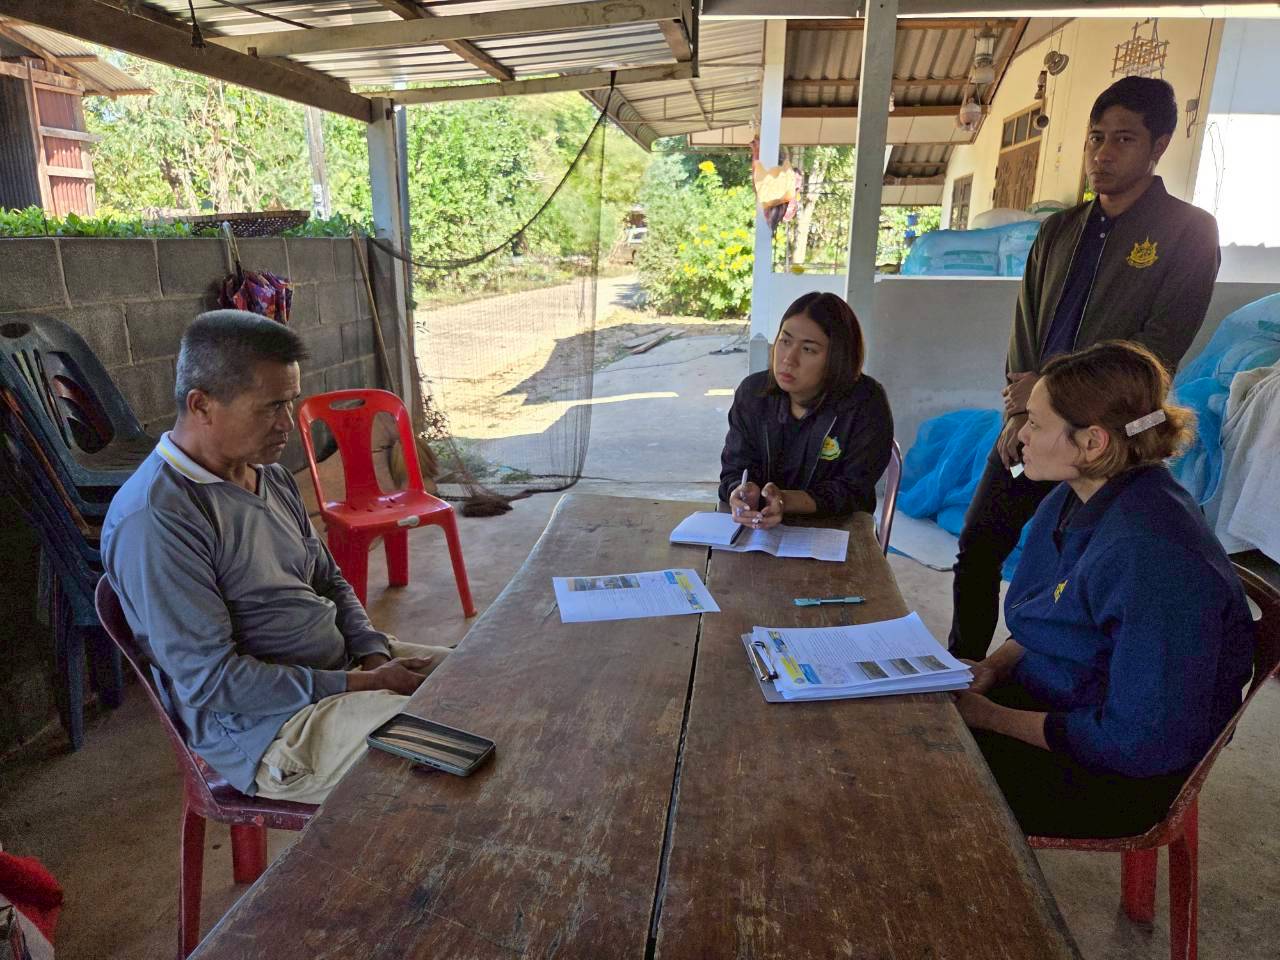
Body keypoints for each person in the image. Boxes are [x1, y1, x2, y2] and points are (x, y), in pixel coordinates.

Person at [102, 310, 451, 805]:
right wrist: (360, 683)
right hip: (274, 729)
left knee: (489, 680)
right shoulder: (157, 519)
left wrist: (372, 653)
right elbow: (213, 681)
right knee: (454, 747)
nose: (287, 423)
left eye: (290, 402)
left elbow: (329, 581)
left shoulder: (269, 476)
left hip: (342, 670)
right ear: (201, 405)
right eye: (270, 408)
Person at [950, 75, 1222, 661]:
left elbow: (1158, 347)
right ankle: (963, 669)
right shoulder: (1060, 230)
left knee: (1083, 568)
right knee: (978, 545)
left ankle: (1067, 682)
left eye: (1123, 138)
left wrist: (1052, 388)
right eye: (1096, 137)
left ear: (1159, 145)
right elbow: (1025, 327)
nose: (1103, 153)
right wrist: (1022, 415)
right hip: (1038, 426)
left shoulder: (1188, 232)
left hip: (1113, 435)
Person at [955, 341, 1254, 838]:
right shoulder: (1074, 497)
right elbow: (1048, 612)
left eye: (1036, 424)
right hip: (1054, 702)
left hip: (1112, 776)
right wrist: (993, 667)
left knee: (913, 773)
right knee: (897, 721)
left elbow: (1139, 740)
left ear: (1093, 442)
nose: (1020, 435)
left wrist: (990, 718)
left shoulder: (1152, 555)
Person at [718, 291, 893, 527]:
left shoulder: (865, 403)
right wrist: (741, 490)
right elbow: (734, 468)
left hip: (836, 531)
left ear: (837, 357)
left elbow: (854, 490)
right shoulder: (753, 394)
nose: (788, 359)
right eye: (785, 341)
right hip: (759, 530)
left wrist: (785, 500)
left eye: (808, 349)